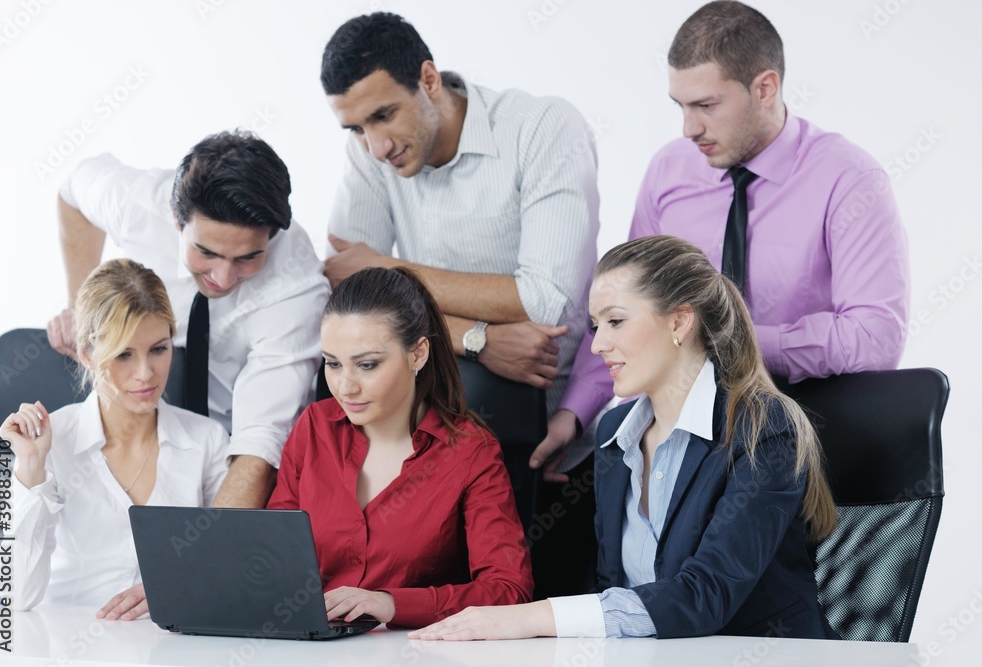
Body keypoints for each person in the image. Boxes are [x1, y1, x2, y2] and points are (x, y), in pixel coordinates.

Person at [409, 235, 838, 640]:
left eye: (615, 321)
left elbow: (706, 595)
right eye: (596, 326)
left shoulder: (762, 427)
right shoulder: (615, 435)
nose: (598, 345)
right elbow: (615, 589)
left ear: (680, 321)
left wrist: (531, 617)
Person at [320, 11, 599, 597]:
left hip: (550, 421)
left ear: (427, 79)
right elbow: (353, 302)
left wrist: (390, 269)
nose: (376, 145)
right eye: (354, 129)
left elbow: (545, 300)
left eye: (383, 115)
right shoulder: (372, 155)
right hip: (446, 406)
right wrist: (478, 337)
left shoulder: (542, 127)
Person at [554, 0, 911, 444]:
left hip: (799, 435)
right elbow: (625, 307)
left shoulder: (849, 179)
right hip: (674, 439)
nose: (688, 128)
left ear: (764, 88)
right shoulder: (669, 170)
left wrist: (727, 340)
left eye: (706, 105)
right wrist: (574, 415)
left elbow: (874, 338)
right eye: (680, 105)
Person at [47, 130, 330, 508]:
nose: (223, 278)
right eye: (206, 252)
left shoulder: (296, 286)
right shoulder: (139, 204)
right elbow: (72, 192)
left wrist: (203, 557)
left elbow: (258, 449)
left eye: (247, 257)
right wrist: (79, 306)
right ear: (176, 221)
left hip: (235, 451)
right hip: (151, 431)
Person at [266, 267, 533, 628]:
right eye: (332, 364)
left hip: (415, 652)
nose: (345, 388)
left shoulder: (471, 452)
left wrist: (393, 604)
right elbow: (272, 557)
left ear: (418, 354)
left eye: (367, 365)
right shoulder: (314, 428)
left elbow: (509, 590)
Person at [0, 259, 228, 619]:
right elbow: (16, 595)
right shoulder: (52, 442)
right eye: (124, 355)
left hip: (169, 647)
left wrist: (176, 586)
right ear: (88, 355)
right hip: (67, 644)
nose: (146, 373)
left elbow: (226, 572)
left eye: (159, 349)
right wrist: (30, 467)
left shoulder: (206, 441)